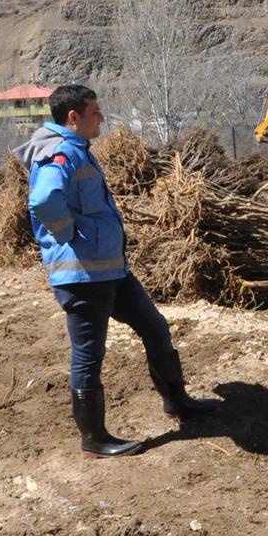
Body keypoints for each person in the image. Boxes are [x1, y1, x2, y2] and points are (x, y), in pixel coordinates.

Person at [15, 84, 216, 459]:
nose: (102, 119)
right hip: (82, 275)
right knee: (88, 356)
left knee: (154, 326)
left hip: (110, 270)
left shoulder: (76, 149)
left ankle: (177, 402)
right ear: (73, 117)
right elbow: (43, 200)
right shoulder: (60, 152)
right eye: (95, 112)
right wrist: (70, 233)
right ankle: (94, 438)